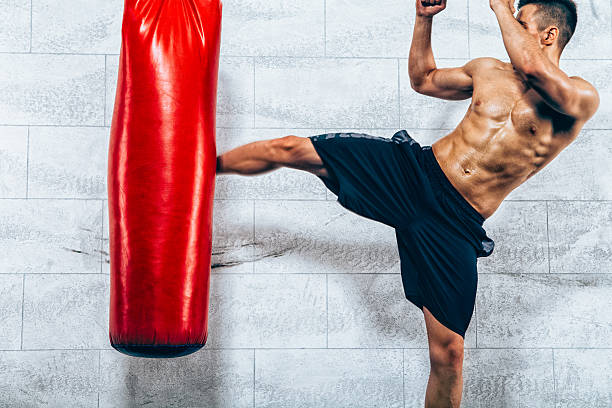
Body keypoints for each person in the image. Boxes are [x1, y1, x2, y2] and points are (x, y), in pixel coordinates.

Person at [215, 0, 599, 406]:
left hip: (454, 223)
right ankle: (199, 169)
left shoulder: (579, 96)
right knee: (290, 148)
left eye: (522, 24)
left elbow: (538, 69)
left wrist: (501, 8)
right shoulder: (489, 70)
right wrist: (424, 19)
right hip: (414, 173)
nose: (510, 30)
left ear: (548, 35)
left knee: (448, 354)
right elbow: (424, 79)